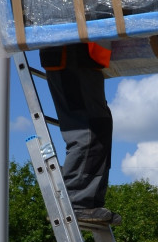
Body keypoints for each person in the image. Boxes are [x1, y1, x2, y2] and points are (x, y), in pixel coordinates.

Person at [39, 42, 121, 227]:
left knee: (100, 128)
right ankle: (76, 200)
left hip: (84, 59)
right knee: (87, 131)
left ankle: (90, 201)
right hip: (69, 56)